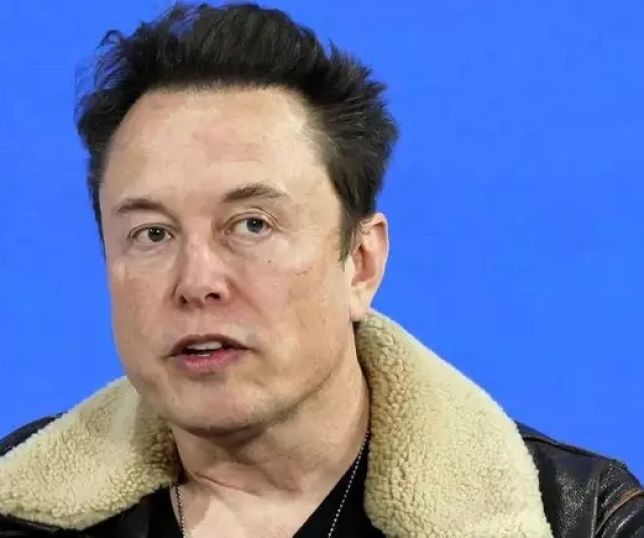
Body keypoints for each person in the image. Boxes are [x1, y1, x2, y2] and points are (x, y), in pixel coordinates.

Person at [0, 3, 642, 537]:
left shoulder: (582, 518)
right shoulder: (16, 504)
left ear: (360, 262)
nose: (197, 282)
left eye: (252, 225)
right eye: (152, 234)